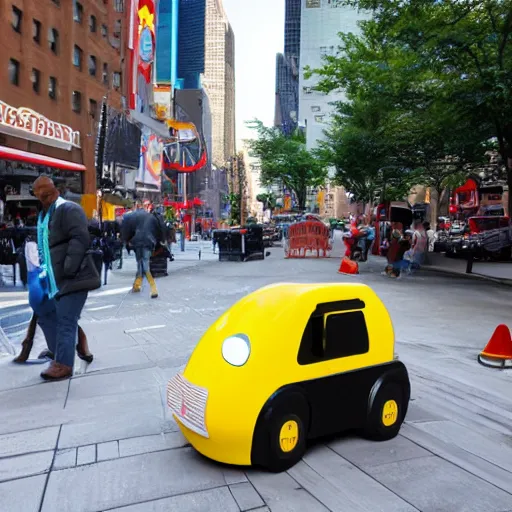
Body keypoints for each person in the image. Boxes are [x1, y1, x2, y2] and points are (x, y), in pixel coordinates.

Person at [30, 176, 98, 380]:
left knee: (66, 321)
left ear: (53, 190)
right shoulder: (45, 214)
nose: (43, 196)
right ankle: (68, 349)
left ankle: (64, 364)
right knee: (46, 314)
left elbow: (80, 238)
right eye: (39, 193)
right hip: (53, 279)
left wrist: (69, 267)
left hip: (73, 277)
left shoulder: (68, 209)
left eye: (46, 192)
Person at [121, 208, 167, 298]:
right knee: (145, 266)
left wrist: (127, 241)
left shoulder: (135, 217)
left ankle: (140, 286)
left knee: (140, 264)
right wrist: (160, 241)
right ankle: (150, 288)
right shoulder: (152, 218)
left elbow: (128, 230)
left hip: (137, 242)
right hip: (148, 243)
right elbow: (159, 231)